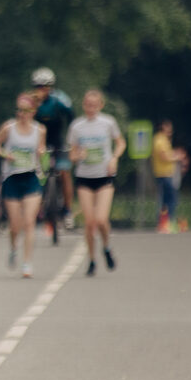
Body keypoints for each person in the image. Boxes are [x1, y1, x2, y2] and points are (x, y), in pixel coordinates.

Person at [0, 93, 47, 277]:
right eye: (19, 110)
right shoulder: (8, 128)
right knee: (15, 225)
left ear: (33, 112)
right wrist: (6, 154)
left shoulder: (40, 130)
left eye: (26, 111)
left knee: (29, 222)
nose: (22, 114)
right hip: (12, 178)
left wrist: (41, 151)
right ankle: (14, 247)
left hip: (31, 178)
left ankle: (27, 263)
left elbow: (42, 150)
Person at [68, 89, 125, 274]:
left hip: (104, 176)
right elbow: (72, 154)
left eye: (94, 105)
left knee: (101, 220)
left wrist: (114, 158)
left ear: (100, 105)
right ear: (83, 105)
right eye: (87, 105)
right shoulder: (77, 126)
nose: (90, 108)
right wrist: (78, 155)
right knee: (90, 222)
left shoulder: (108, 123)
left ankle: (106, 247)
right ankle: (92, 259)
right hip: (84, 177)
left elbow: (121, 142)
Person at [30, 68, 76, 230]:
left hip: (58, 140)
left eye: (46, 86)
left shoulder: (60, 99)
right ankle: (37, 206)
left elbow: (71, 117)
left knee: (64, 172)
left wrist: (72, 139)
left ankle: (68, 209)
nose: (42, 89)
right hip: (39, 142)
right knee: (36, 173)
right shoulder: (31, 101)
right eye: (39, 86)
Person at [150, 119, 181, 231]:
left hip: (166, 174)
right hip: (164, 174)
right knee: (169, 200)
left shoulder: (163, 140)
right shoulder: (160, 140)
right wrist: (176, 157)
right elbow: (164, 156)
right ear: (163, 127)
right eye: (168, 128)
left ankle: (165, 223)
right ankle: (167, 223)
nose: (171, 131)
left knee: (166, 200)